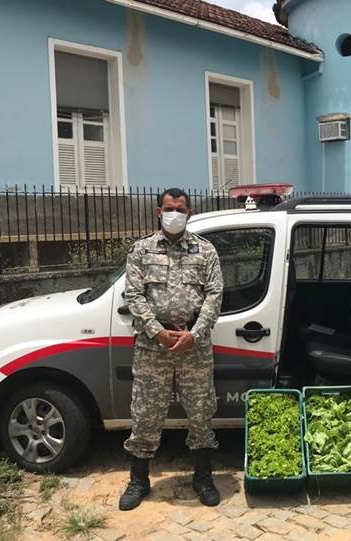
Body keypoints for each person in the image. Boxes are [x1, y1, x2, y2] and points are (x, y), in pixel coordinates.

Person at [118, 188, 224, 510]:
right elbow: (133, 295)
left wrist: (195, 332)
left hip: (195, 348)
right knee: (146, 415)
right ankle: (139, 480)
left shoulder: (205, 251)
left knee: (201, 414)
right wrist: (157, 331)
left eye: (180, 208)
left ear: (189, 213)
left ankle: (203, 477)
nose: (174, 213)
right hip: (153, 350)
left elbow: (215, 294)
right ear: (158, 211)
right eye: (168, 208)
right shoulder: (141, 251)